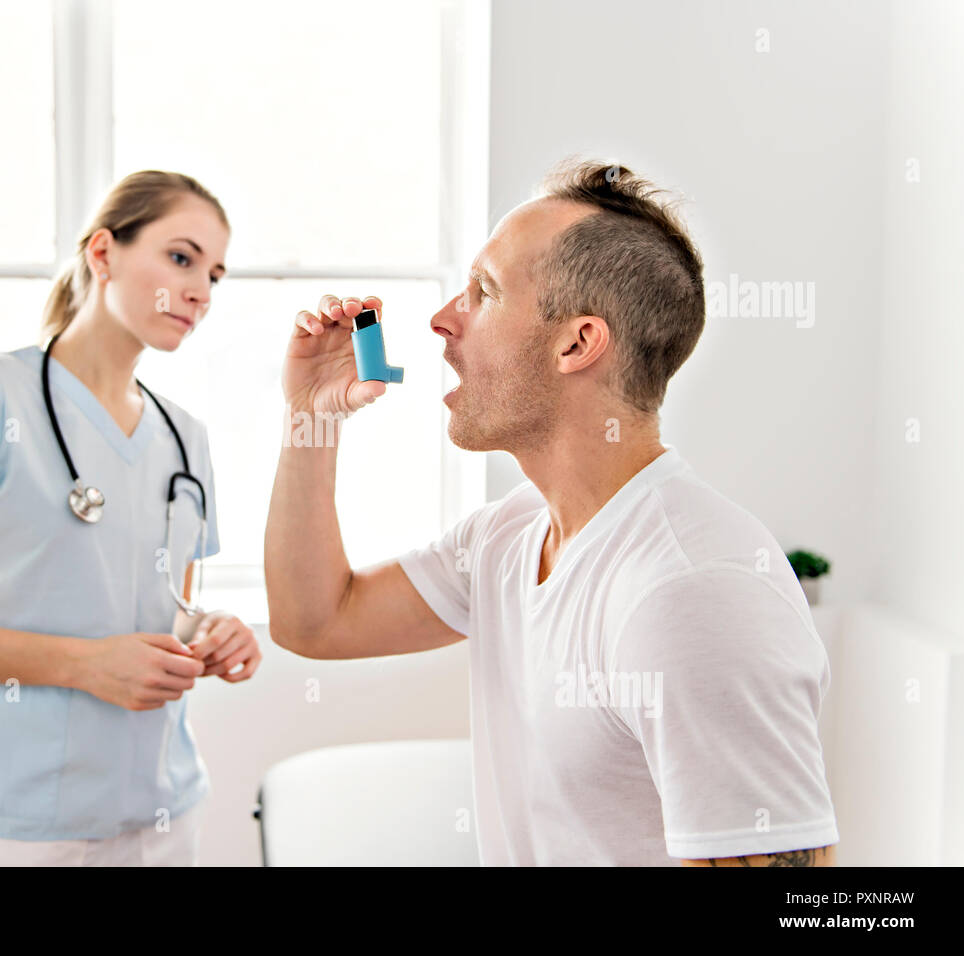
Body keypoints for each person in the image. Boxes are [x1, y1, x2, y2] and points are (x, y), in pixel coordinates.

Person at [264, 160, 839, 867]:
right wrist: (309, 420)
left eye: (483, 292)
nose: (443, 320)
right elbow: (315, 619)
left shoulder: (693, 590)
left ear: (577, 343)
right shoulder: (510, 535)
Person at [0, 170, 260, 866]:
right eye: (181, 257)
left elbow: (170, 609)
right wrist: (86, 666)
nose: (200, 292)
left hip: (162, 810)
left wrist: (210, 634)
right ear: (102, 253)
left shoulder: (186, 437)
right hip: (15, 821)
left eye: (216, 275)